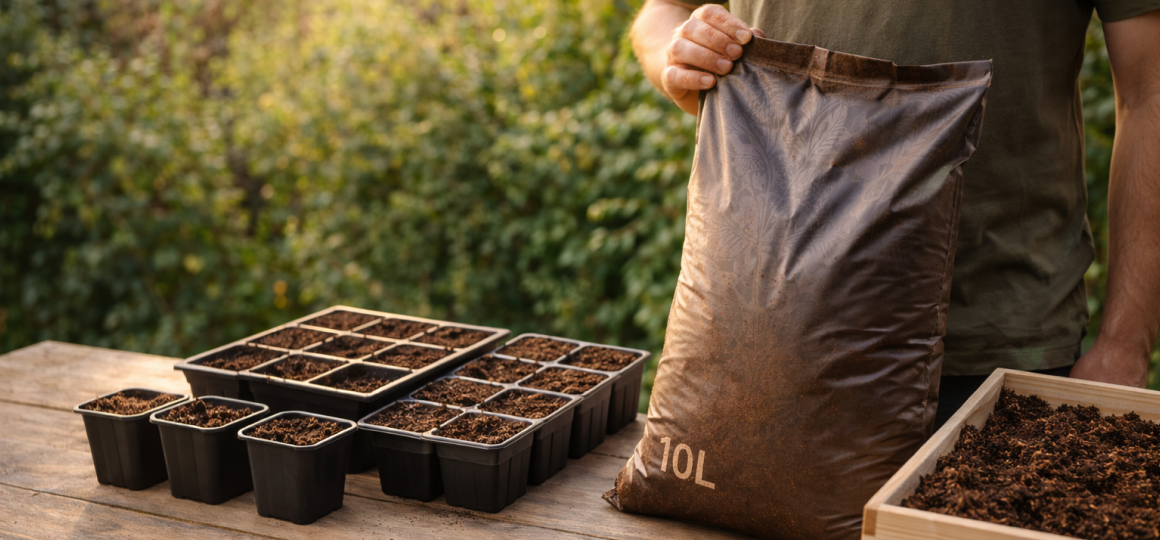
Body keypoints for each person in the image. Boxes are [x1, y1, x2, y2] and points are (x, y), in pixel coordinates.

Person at [630, 1, 1160, 429]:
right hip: (763, 328)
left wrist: (1123, 351)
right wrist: (680, 53)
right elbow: (663, 14)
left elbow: (1150, 89)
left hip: (991, 357)